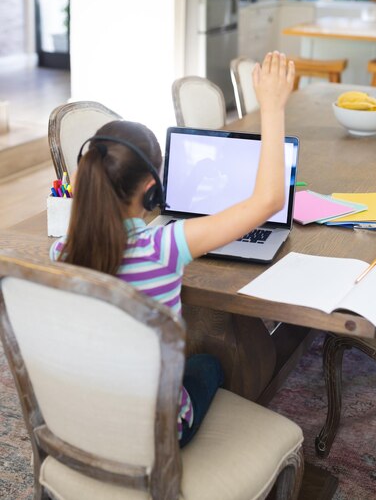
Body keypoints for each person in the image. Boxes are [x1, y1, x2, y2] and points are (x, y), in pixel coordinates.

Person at [50, 51, 295, 447]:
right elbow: (267, 200)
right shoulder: (163, 246)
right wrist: (272, 107)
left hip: (80, 424)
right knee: (208, 364)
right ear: (151, 190)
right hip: (152, 437)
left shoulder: (60, 252)